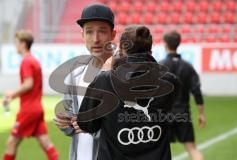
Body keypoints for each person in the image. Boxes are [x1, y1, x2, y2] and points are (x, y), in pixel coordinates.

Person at [76, 25, 179, 160]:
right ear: (150, 49)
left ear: (122, 50)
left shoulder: (105, 80)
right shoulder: (170, 80)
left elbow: (87, 124)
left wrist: (106, 73)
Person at [53, 4, 116, 160]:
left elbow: (127, 126)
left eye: (102, 31)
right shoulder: (75, 75)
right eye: (89, 32)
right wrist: (65, 123)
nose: (95, 39)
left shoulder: (122, 74)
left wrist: (89, 125)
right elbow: (71, 123)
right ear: (82, 35)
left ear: (113, 34)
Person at [2, 30, 58, 160]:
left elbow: (29, 84)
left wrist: (12, 94)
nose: (15, 45)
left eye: (16, 42)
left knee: (11, 142)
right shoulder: (34, 61)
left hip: (28, 109)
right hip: (37, 108)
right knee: (45, 142)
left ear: (23, 44)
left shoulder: (26, 61)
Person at [159, 31, 206, 160]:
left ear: (165, 45)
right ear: (178, 44)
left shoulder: (159, 66)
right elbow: (196, 91)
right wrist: (201, 114)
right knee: (192, 149)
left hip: (163, 114)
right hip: (183, 113)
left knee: (160, 150)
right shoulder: (188, 67)